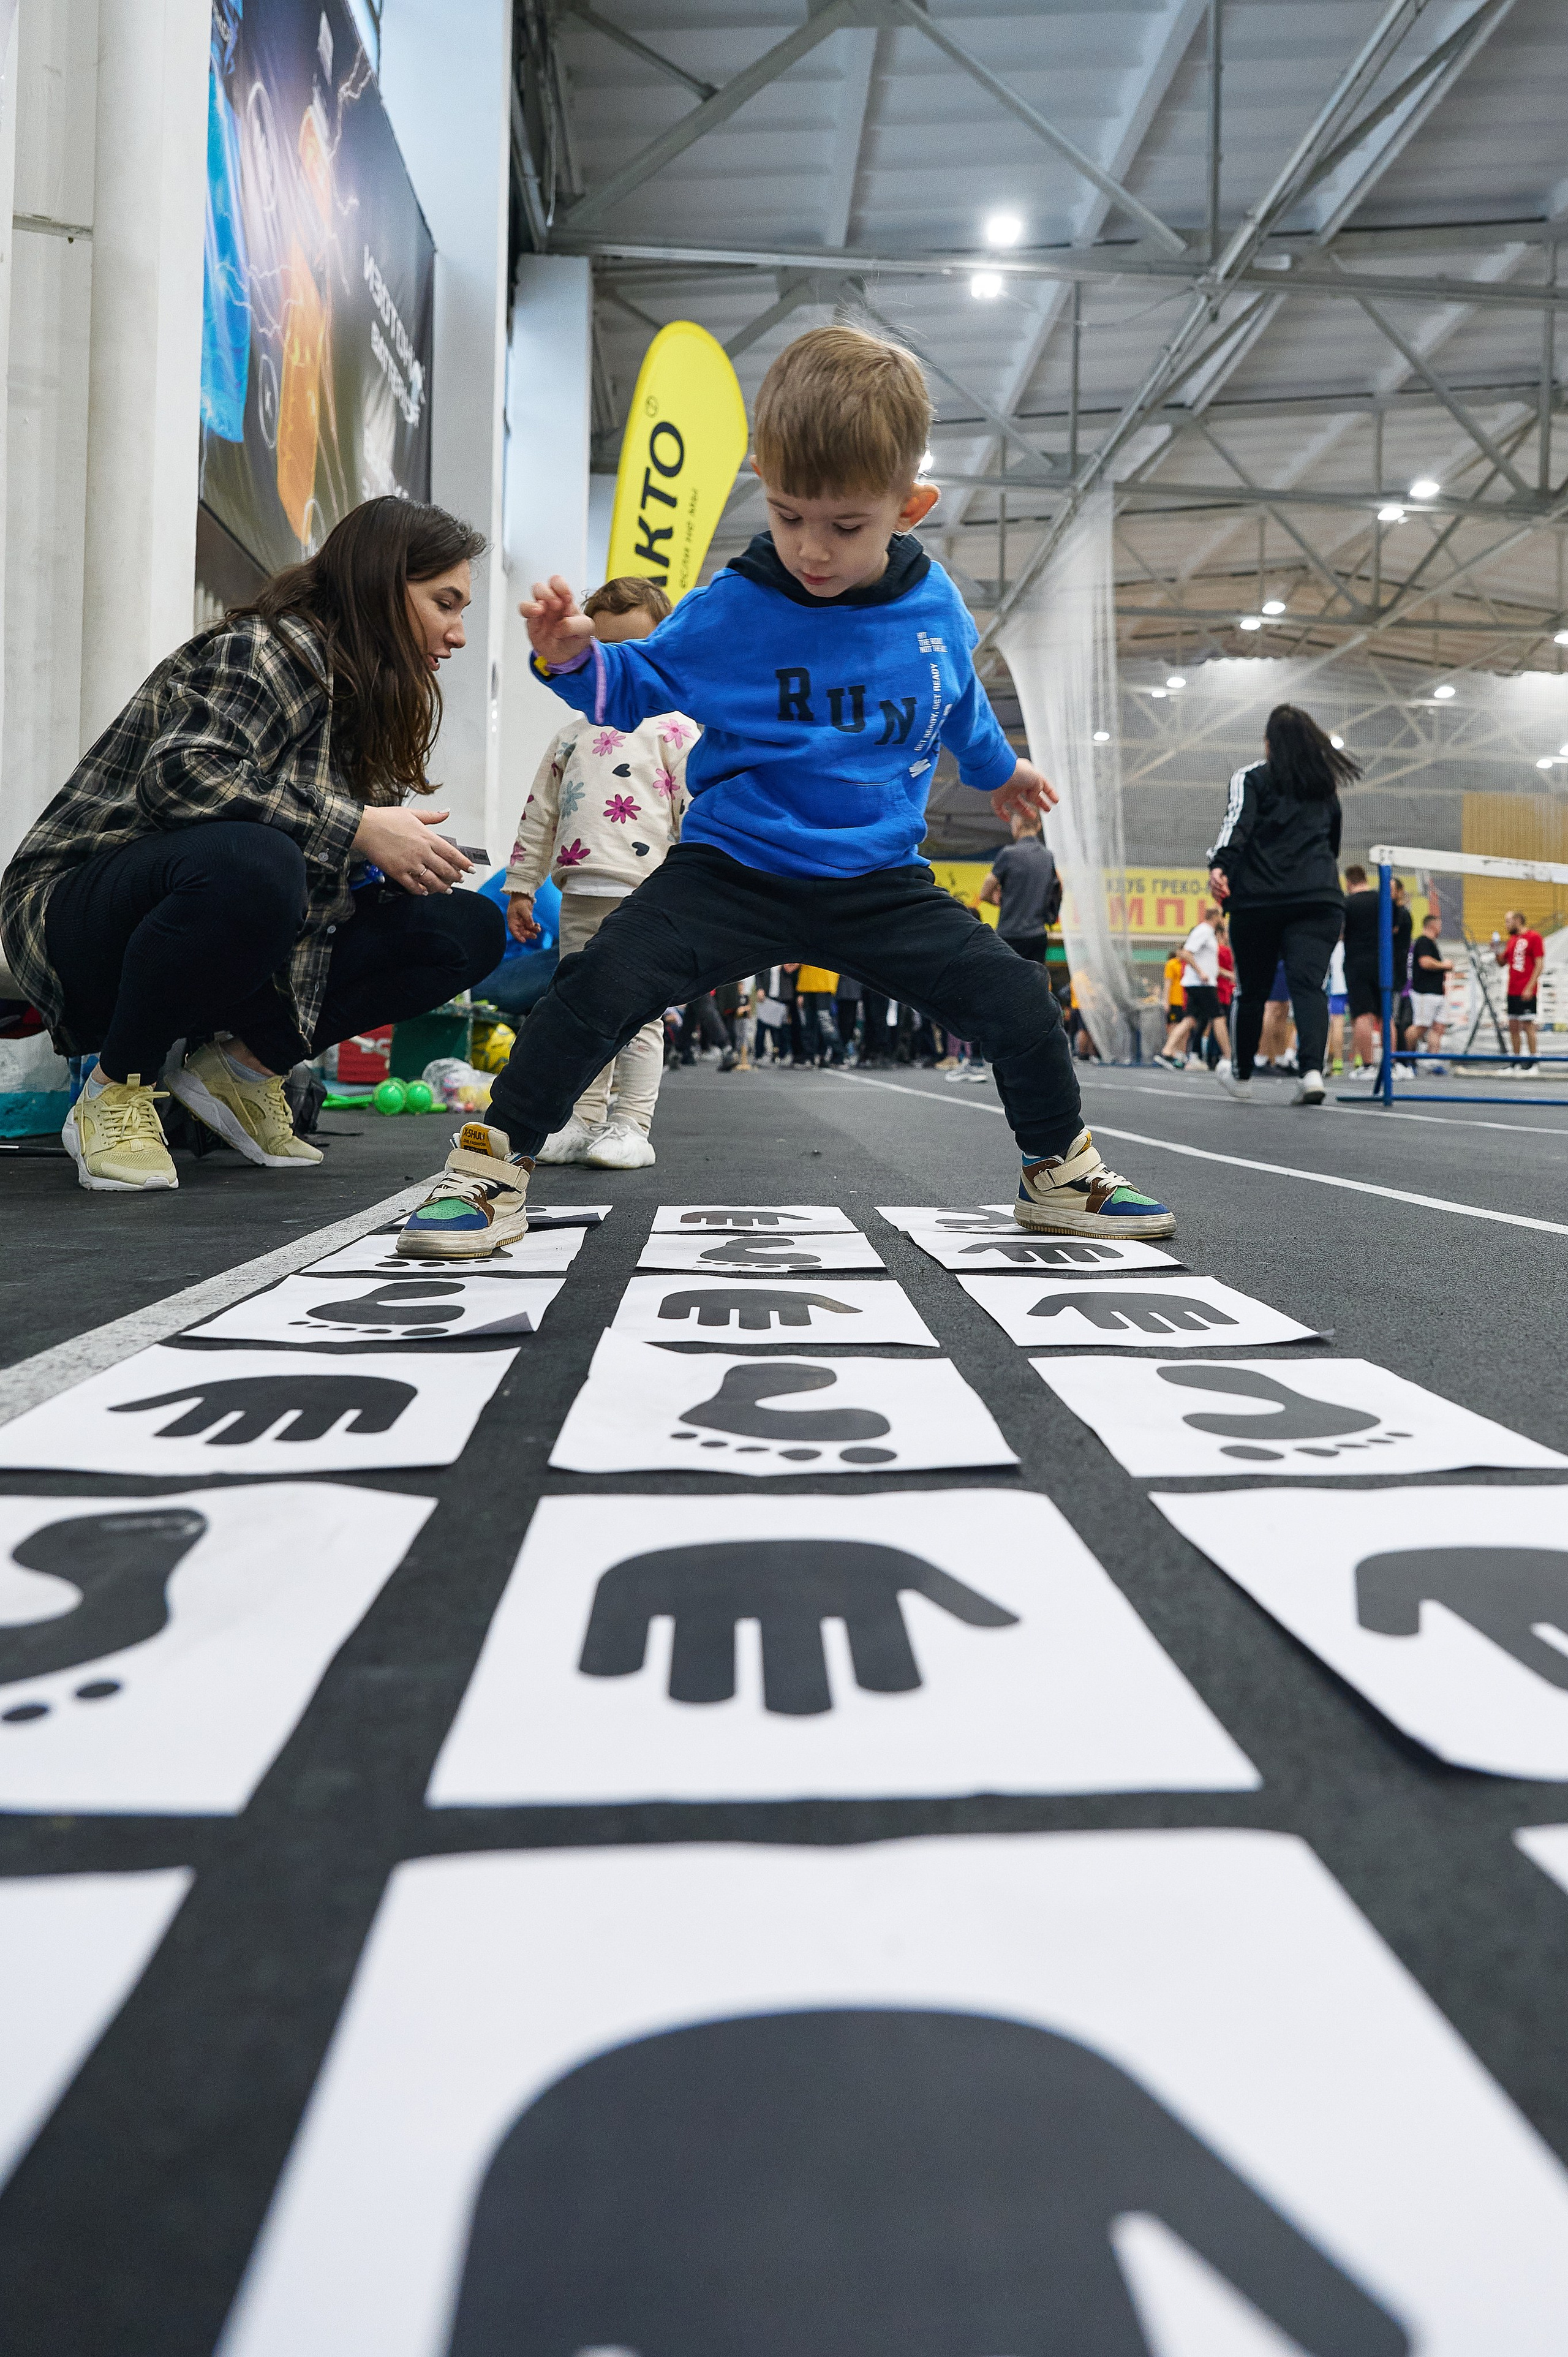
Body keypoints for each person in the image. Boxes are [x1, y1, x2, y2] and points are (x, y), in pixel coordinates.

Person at [397, 324, 1174, 1258]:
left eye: (846, 526)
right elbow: (638, 686)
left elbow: (956, 700)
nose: (812, 547)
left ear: (910, 506)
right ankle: (489, 1167)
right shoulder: (734, 606)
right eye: (788, 513)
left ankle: (1060, 1171)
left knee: (1015, 1002)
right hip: (734, 867)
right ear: (763, 480)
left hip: (878, 879)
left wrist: (1003, 768)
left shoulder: (936, 614)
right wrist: (570, 657)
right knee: (597, 985)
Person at [0, 497, 503, 1193]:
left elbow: (310, 866)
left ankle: (238, 1071)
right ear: (383, 583)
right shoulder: (269, 648)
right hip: (78, 915)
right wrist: (357, 827)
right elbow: (179, 778)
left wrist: (391, 862)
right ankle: (117, 1090)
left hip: (218, 931)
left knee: (466, 928)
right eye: (444, 603)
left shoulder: (365, 703)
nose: (457, 634)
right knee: (255, 863)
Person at [505, 576, 696, 1170]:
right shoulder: (570, 735)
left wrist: (698, 890)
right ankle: (583, 1119)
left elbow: (696, 810)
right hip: (581, 894)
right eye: (603, 651)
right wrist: (519, 884)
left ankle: (629, 1123)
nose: (618, 667)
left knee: (637, 1014)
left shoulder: (674, 729)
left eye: (632, 652)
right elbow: (540, 813)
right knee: (581, 1012)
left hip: (648, 899)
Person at [1207, 703, 1359, 1107]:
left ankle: (1241, 1075)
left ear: (1268, 743)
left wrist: (1220, 866)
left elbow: (1236, 825)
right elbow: (1334, 846)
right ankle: (1311, 1072)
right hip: (1319, 898)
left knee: (1252, 990)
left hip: (1260, 901)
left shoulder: (1252, 778)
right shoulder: (1325, 787)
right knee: (1309, 986)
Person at [976, 806, 1059, 962]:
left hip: (1010, 935)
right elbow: (1056, 890)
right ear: (1039, 825)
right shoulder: (1048, 857)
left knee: (1006, 984)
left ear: (1017, 824)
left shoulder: (1008, 854)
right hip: (1037, 935)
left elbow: (985, 892)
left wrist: (999, 901)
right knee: (1034, 985)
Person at [1153, 904, 1226, 1071]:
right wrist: (1201, 973)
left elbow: (1209, 964)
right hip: (1201, 985)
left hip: (1201, 984)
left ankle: (1168, 1052)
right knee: (1218, 1017)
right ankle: (1229, 1058)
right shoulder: (1203, 931)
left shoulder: (1210, 934)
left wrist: (1226, 975)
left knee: (1190, 1020)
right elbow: (1186, 953)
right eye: (1221, 916)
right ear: (1215, 916)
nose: (1223, 920)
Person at [1340, 865, 1384, 1077]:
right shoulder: (1381, 900)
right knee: (1385, 1015)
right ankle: (1391, 1066)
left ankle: (1368, 1067)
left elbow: (1339, 934)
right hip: (1381, 961)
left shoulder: (1347, 904)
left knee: (1362, 1016)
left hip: (1357, 962)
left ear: (1349, 882)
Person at [1496, 907, 1545, 1074]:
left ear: (1518, 921)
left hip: (1527, 989)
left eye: (1508, 922)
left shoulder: (1534, 937)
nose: (1506, 925)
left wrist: (1530, 987)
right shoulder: (1512, 940)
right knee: (1513, 1026)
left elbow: (1539, 964)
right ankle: (1515, 1062)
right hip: (1513, 990)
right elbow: (1502, 962)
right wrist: (1496, 950)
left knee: (1528, 1025)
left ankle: (1534, 1063)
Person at [1408, 911, 1452, 1068]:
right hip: (1424, 993)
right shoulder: (1423, 942)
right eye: (1439, 925)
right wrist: (1444, 965)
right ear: (1433, 925)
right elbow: (1425, 963)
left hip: (1437, 992)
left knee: (1439, 1027)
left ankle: (1433, 1060)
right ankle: (1407, 1057)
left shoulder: (1432, 943)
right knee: (1421, 1026)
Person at [796, 964, 842, 1063]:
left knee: (825, 1021)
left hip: (825, 982)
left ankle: (837, 1054)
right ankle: (810, 1055)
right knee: (809, 1022)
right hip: (808, 982)